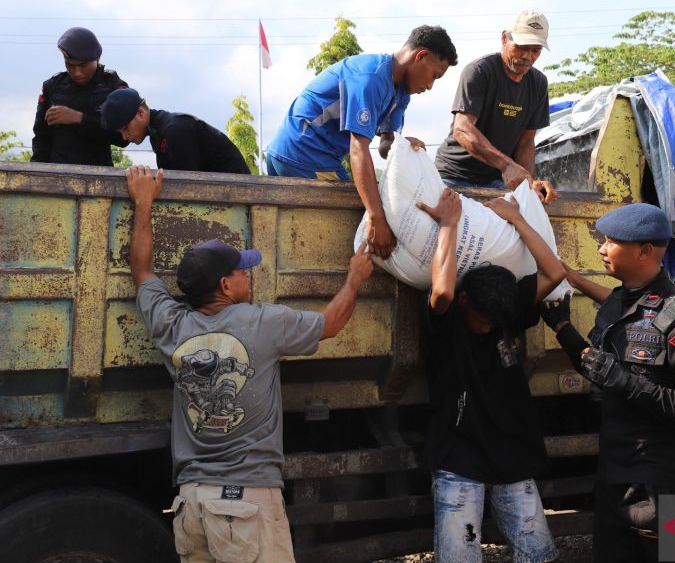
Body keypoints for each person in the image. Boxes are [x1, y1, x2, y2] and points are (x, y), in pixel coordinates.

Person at [124, 165, 372, 563]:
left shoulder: (170, 325)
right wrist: (354, 279)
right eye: (242, 271)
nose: (248, 276)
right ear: (225, 285)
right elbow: (330, 324)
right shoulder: (262, 323)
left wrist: (142, 203)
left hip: (192, 504)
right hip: (246, 504)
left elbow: (141, 271)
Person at [414, 189, 567, 563]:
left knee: (540, 554)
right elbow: (443, 290)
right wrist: (448, 224)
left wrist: (516, 219)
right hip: (459, 455)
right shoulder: (447, 322)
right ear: (466, 303)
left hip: (511, 452)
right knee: (460, 558)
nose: (488, 329)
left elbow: (555, 272)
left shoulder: (503, 309)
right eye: (482, 322)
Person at [578, 203, 675, 563]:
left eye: (611, 242)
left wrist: (624, 382)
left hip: (669, 481)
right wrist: (562, 328)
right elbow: (599, 370)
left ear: (644, 251)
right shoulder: (617, 304)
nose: (601, 249)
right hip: (616, 474)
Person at [265, 25, 458, 259]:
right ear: (421, 56)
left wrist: (403, 146)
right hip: (303, 155)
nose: (429, 86)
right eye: (434, 76)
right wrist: (377, 218)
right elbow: (359, 150)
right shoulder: (370, 78)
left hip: (306, 156)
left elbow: (386, 145)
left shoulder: (401, 94)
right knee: (361, 220)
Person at [435, 10, 557, 202]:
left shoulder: (538, 84)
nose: (527, 56)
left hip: (496, 180)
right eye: (521, 47)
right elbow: (462, 129)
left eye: (535, 51)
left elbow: (526, 142)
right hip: (454, 175)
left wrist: (526, 182)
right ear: (504, 38)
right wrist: (507, 166)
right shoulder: (479, 71)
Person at [30, 27, 130, 166]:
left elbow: (123, 138)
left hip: (98, 175)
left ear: (97, 58)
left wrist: (79, 119)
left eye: (83, 65)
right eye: (69, 65)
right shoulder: (52, 87)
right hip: (56, 174)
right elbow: (41, 137)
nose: (76, 72)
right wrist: (37, 173)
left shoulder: (113, 87)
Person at [102, 87, 251, 174]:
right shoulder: (158, 132)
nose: (124, 136)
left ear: (141, 113)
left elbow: (185, 186)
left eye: (125, 128)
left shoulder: (174, 130)